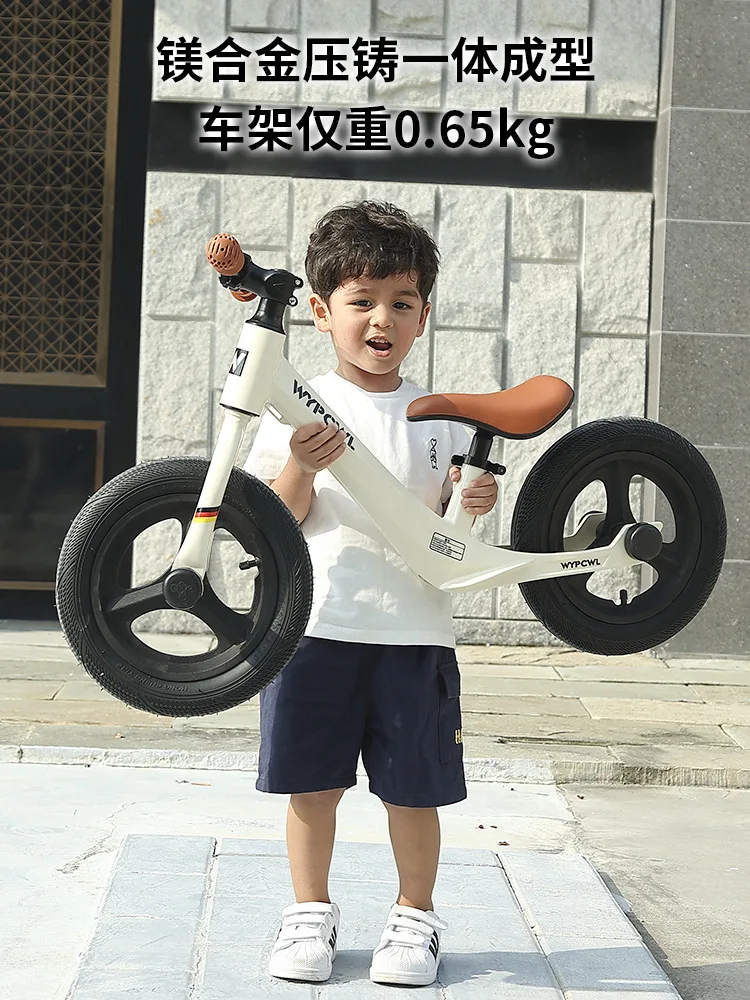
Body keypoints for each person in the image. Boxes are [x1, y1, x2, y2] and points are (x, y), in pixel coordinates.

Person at [243, 200, 498, 987]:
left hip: (415, 636)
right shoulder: (296, 410)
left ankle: (414, 922)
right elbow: (273, 525)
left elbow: (458, 549)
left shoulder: (445, 420)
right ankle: (308, 916)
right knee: (311, 788)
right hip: (314, 629)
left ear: (423, 314)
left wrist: (473, 504)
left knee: (412, 794)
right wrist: (300, 467)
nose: (380, 320)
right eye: (361, 302)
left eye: (401, 302)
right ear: (321, 312)